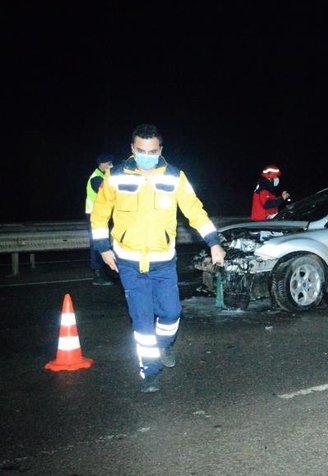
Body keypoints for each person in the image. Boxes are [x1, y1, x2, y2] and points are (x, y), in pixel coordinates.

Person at [90, 124, 226, 393]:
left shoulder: (175, 177)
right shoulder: (115, 176)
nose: (146, 156)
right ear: (132, 148)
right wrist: (103, 248)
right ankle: (150, 370)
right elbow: (100, 214)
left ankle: (163, 346)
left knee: (172, 313)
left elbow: (195, 211)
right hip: (128, 261)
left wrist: (214, 242)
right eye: (141, 150)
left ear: (160, 150)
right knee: (142, 320)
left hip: (163, 261)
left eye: (152, 151)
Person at [86, 153, 116, 285]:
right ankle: (97, 274)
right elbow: (109, 193)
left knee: (101, 243)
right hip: (94, 215)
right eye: (109, 164)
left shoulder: (103, 176)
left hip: (101, 215)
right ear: (102, 164)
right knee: (97, 244)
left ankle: (103, 272)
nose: (111, 166)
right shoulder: (96, 178)